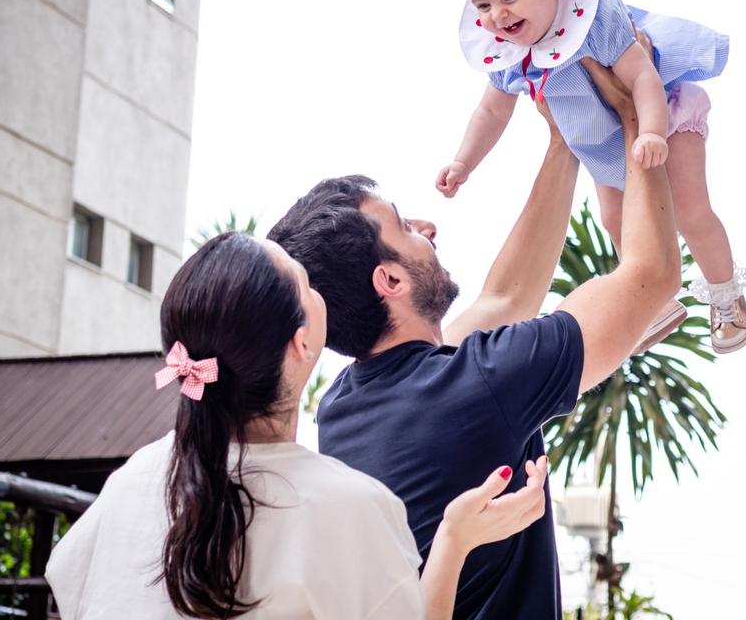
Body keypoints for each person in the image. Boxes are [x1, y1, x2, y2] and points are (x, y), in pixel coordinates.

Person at [268, 67, 683, 619]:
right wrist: (634, 116)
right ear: (390, 282)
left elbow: (505, 299)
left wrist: (564, 142)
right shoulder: (476, 385)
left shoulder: (345, 406)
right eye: (404, 227)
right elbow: (651, 276)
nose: (427, 227)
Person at [45, 232, 550, 620]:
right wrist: (454, 539)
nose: (317, 290)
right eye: (306, 284)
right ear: (302, 342)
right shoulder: (349, 508)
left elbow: (69, 580)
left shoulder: (133, 481)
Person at [436, 0, 746, 353]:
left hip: (662, 118)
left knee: (691, 210)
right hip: (599, 145)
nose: (496, 16)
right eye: (483, 5)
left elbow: (641, 76)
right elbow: (491, 112)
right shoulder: (509, 54)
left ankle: (725, 293)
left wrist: (654, 132)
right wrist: (463, 161)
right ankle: (655, 304)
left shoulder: (593, 20)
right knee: (615, 219)